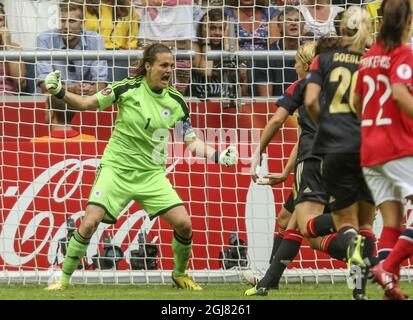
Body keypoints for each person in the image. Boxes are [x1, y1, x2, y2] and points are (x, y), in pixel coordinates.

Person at [43, 43, 239, 291]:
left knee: (184, 224)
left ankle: (180, 274)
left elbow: (191, 142)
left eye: (171, 65)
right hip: (116, 169)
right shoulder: (127, 88)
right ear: (148, 66)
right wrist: (59, 91)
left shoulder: (177, 101)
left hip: (151, 176)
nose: (169, 70)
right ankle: (63, 279)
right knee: (90, 222)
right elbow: (86, 104)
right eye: (163, 65)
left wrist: (218, 156)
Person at [245, 40, 341, 297]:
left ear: (309, 64)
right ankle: (268, 277)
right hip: (339, 160)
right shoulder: (340, 88)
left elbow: (277, 120)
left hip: (314, 162)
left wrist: (259, 152)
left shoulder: (304, 86)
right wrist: (287, 172)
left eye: (297, 60)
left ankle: (360, 251)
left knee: (303, 227)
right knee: (286, 219)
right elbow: (302, 136)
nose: (293, 64)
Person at [305, 5, 375, 295]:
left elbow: (310, 102)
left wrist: (329, 126)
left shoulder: (323, 58)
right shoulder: (373, 60)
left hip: (336, 146)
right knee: (367, 223)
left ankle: (352, 250)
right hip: (371, 147)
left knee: (345, 223)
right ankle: (359, 290)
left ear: (339, 29)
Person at [354, 0, 413, 300]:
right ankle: (388, 266)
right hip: (396, 146)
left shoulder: (368, 57)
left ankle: (391, 289)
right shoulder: (402, 53)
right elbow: (401, 94)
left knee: (392, 220)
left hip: (369, 149)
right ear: (407, 22)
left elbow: (356, 103)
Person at [36, 1, 108, 95]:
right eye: (62, 20)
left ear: (82, 22)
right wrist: (72, 90)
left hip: (85, 98)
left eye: (71, 21)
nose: (66, 26)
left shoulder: (95, 39)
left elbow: (101, 82)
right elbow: (44, 84)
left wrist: (91, 89)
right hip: (54, 97)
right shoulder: (45, 39)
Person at [31, 96, 96, 142]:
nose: (44, 111)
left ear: (51, 113)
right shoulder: (91, 140)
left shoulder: (36, 142)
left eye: (46, 108)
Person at [0, 2, 26, 95]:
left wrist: (7, 46)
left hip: (8, 100)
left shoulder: (15, 48)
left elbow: (19, 81)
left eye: (0, 20)